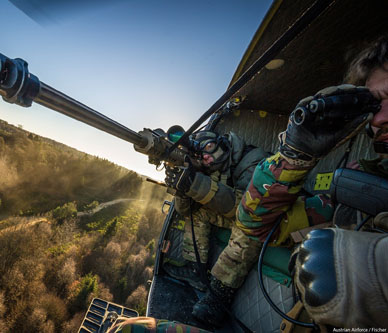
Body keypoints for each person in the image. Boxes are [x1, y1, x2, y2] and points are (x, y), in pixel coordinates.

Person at [235, 35, 388, 328]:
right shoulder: (362, 181)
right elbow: (257, 226)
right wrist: (294, 157)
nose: (378, 119)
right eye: (374, 105)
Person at [162, 130, 269, 295]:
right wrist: (183, 189)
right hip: (238, 215)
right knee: (197, 210)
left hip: (261, 221)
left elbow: (247, 210)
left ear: (223, 143)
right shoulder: (212, 167)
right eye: (200, 154)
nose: (205, 157)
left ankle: (220, 293)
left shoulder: (254, 159)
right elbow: (184, 211)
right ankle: (195, 270)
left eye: (209, 147)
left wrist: (196, 184)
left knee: (246, 228)